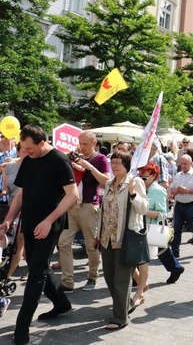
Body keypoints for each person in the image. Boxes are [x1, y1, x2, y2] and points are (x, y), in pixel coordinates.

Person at [0, 126, 79, 345]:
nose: (25, 152)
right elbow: (22, 194)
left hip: (49, 225)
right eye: (22, 147)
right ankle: (61, 303)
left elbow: (73, 195)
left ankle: (22, 326)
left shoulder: (59, 161)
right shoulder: (28, 159)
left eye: (28, 148)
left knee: (35, 274)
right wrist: (8, 220)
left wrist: (49, 220)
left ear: (42, 143)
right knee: (37, 265)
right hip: (30, 222)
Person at [96, 151, 149, 330]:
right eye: (113, 162)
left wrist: (133, 193)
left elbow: (143, 209)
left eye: (118, 162)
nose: (114, 165)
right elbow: (104, 211)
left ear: (126, 164)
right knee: (109, 277)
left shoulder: (135, 182)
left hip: (124, 237)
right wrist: (98, 233)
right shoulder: (109, 183)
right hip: (106, 237)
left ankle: (120, 317)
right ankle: (125, 305)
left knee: (122, 279)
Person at [57, 131, 111, 293]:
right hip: (72, 205)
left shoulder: (100, 159)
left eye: (85, 144)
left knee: (91, 245)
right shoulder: (75, 157)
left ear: (94, 143)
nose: (82, 147)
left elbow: (107, 182)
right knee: (63, 242)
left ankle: (92, 277)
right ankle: (67, 282)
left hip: (89, 205)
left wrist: (90, 167)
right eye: (80, 143)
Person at [169, 155, 193, 258]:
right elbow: (171, 190)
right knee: (177, 228)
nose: (183, 166)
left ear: (191, 163)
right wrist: (176, 191)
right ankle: (175, 251)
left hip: (192, 204)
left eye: (185, 164)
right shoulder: (178, 175)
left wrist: (187, 191)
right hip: (179, 205)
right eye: (181, 164)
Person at [2, 143, 27, 280]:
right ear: (18, 152)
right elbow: (7, 188)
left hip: (27, 210)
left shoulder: (34, 167)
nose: (27, 153)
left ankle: (8, 275)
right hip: (11, 209)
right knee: (10, 242)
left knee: (20, 241)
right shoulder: (10, 167)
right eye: (23, 150)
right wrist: (3, 192)